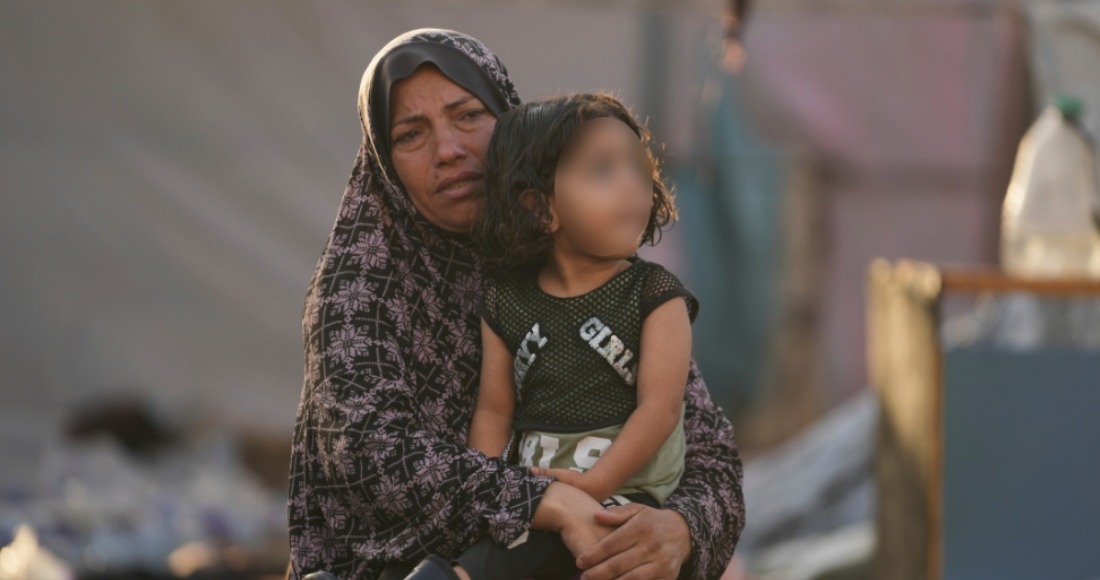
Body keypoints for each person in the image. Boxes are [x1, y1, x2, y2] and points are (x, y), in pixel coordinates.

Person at [287, 28, 745, 580]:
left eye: (469, 116)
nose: (449, 150)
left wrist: (681, 530)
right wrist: (538, 501)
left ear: (509, 120)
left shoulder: (581, 260)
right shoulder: (360, 286)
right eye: (411, 134)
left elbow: (707, 450)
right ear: (384, 161)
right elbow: (369, 451)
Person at [415, 92, 697, 580]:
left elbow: (661, 408)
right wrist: (490, 494)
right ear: (541, 207)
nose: (633, 183)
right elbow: (494, 410)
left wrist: (591, 485)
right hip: (536, 493)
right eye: (603, 170)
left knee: (518, 562)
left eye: (638, 166)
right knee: (507, 551)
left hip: (624, 495)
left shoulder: (655, 294)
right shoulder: (507, 302)